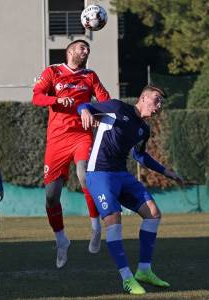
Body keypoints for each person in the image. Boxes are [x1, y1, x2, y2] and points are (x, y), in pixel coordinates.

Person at [77, 86, 184, 295]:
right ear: (143, 98)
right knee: (113, 218)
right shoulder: (117, 107)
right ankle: (127, 278)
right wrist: (85, 111)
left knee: (153, 213)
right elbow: (83, 105)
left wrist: (167, 172)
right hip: (99, 173)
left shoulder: (144, 130)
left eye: (161, 102)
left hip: (121, 174)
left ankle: (144, 270)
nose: (159, 106)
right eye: (156, 100)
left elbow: (140, 156)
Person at [32, 39, 110, 268]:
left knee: (85, 172)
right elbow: (36, 97)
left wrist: (89, 109)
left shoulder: (90, 76)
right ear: (69, 51)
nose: (86, 51)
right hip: (56, 141)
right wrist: (57, 99)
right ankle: (61, 240)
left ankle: (96, 226)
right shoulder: (53, 72)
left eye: (88, 49)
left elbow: (106, 101)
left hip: (81, 135)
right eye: (82, 48)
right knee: (51, 196)